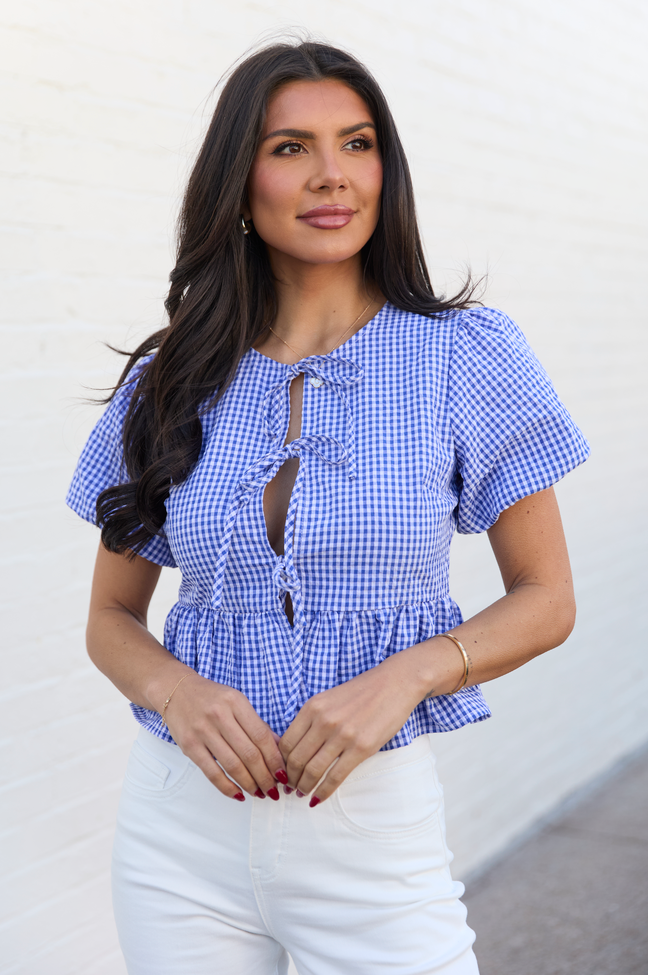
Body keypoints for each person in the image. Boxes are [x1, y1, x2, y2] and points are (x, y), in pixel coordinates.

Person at [67, 40, 590, 975]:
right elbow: (110, 618)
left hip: (367, 831)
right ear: (239, 178)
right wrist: (173, 691)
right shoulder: (170, 376)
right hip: (177, 836)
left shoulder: (464, 354)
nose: (331, 175)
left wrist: (406, 678)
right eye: (290, 148)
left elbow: (548, 599)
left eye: (356, 142)